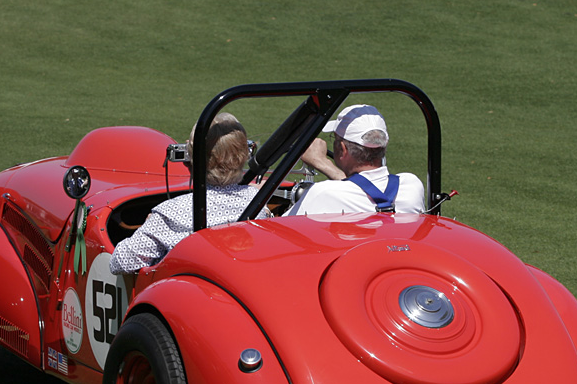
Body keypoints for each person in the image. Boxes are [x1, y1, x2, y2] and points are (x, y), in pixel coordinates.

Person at [110, 113, 269, 274]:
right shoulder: (257, 200)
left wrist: (148, 225)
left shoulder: (171, 213)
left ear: (192, 158)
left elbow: (120, 262)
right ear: (244, 155)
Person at [285, 104, 425, 216]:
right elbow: (365, 189)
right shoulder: (411, 186)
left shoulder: (323, 193)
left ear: (342, 149)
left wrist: (321, 162)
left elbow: (276, 231)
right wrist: (324, 164)